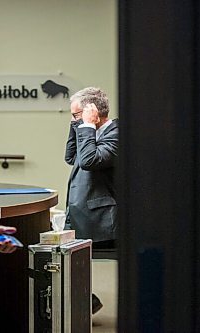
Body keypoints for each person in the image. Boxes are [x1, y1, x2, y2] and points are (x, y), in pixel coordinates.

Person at [64, 87, 119, 314]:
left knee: (62, 255)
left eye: (77, 115)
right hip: (81, 214)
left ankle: (86, 302)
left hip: (101, 221)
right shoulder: (88, 131)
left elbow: (88, 160)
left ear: (92, 111)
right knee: (57, 255)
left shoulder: (117, 134)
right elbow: (70, 157)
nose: (75, 121)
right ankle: (87, 301)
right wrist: (78, 124)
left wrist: (86, 125)